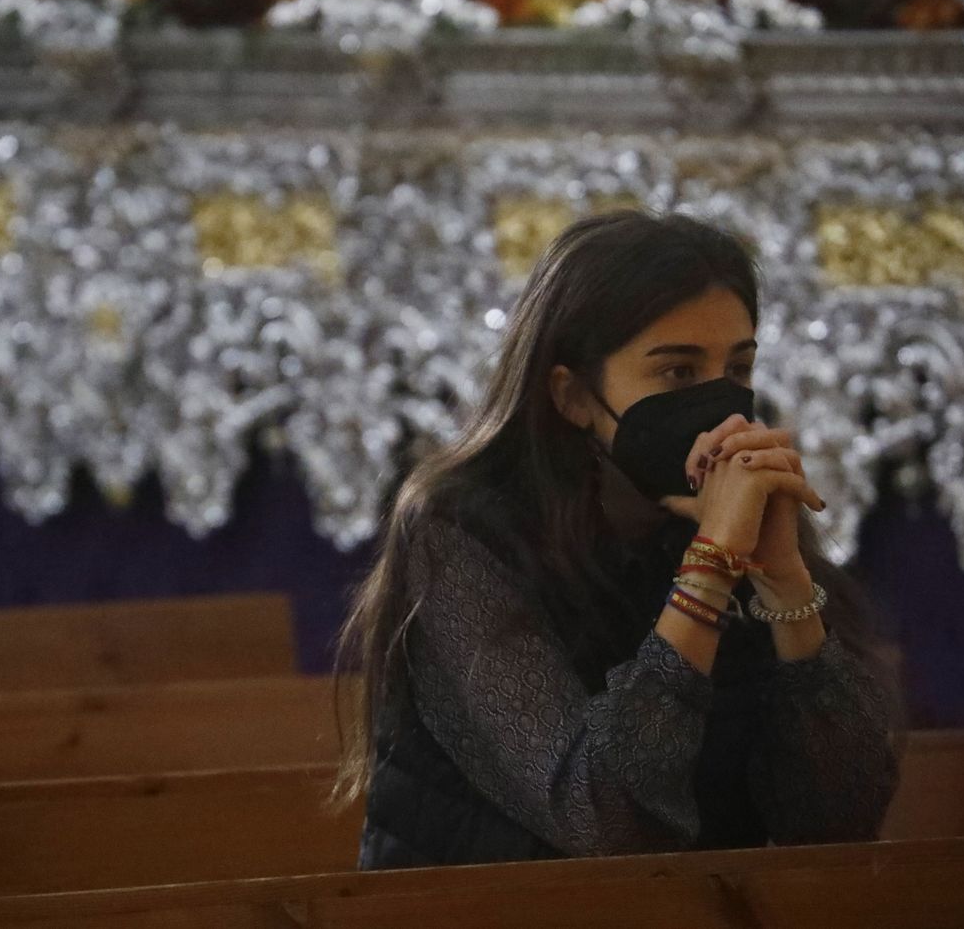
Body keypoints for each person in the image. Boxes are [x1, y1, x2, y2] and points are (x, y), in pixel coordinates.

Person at [334, 209, 902, 869]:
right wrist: (711, 568)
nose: (720, 409)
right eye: (678, 373)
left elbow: (839, 825)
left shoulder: (741, 512)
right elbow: (607, 822)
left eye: (737, 369)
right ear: (573, 395)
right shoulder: (459, 529)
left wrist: (785, 582)